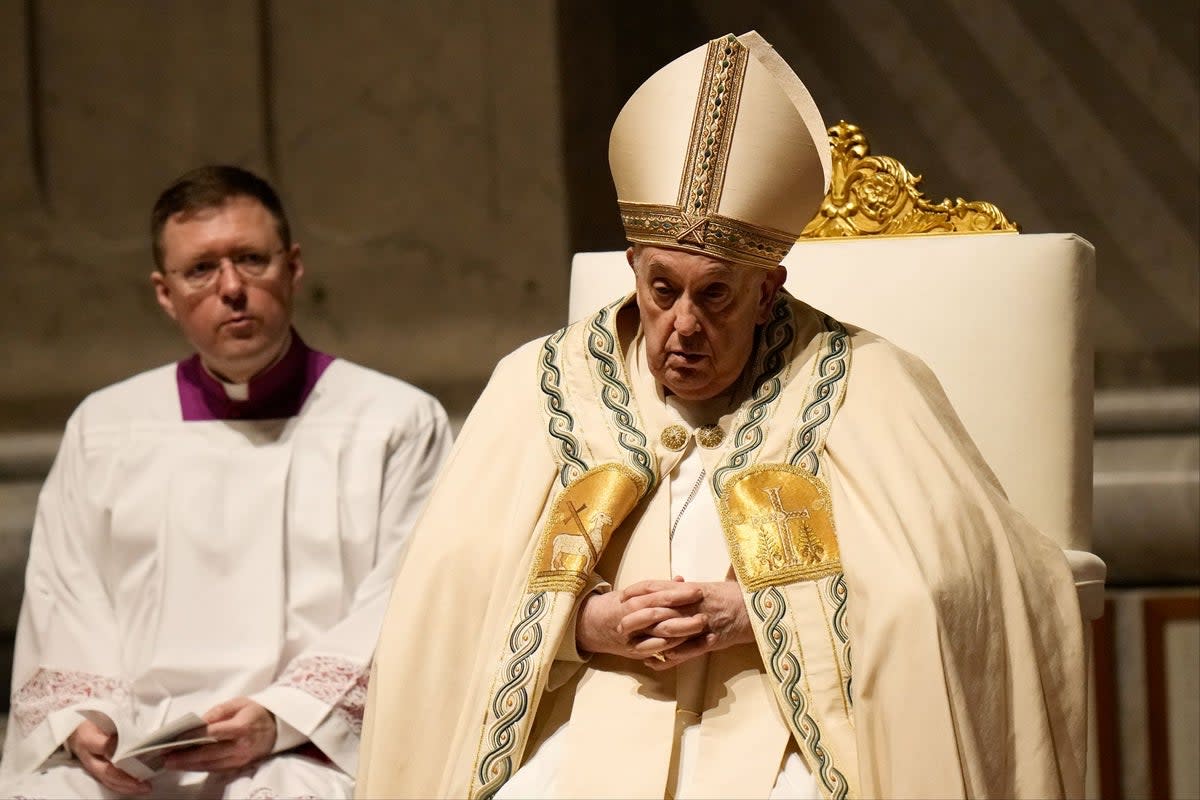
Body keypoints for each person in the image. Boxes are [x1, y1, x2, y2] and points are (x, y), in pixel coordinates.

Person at [358, 31, 1103, 800]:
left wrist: (765, 608)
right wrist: (582, 623)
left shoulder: (863, 383)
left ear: (768, 289)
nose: (683, 324)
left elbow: (981, 582)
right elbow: (446, 596)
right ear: (633, 273)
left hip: (794, 721)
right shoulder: (543, 385)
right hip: (587, 709)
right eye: (662, 289)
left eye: (715, 295)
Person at [0, 165, 452, 798]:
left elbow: (407, 602)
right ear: (164, 293)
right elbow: (66, 595)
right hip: (137, 747)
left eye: (250, 259)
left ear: (293, 267)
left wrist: (282, 716)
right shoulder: (105, 429)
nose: (232, 288)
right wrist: (86, 723)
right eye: (201, 270)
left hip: (306, 746)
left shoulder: (393, 422)